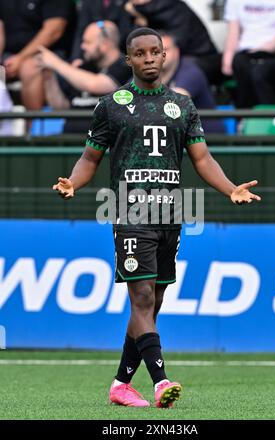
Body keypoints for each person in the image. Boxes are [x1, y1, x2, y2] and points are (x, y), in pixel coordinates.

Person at [52, 27, 261, 408]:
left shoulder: (182, 106)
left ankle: (120, 384)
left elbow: (202, 158)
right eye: (140, 53)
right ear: (128, 59)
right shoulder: (111, 104)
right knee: (143, 297)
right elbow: (90, 158)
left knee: (152, 303)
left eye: (155, 52)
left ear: (164, 56)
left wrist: (230, 187)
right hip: (130, 213)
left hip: (170, 215)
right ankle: (162, 382)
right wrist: (75, 182)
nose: (149, 59)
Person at [37, 20, 132, 133]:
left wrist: (56, 63)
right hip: (68, 140)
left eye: (87, 42)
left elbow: (96, 84)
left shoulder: (125, 65)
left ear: (105, 45)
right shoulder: (83, 67)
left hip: (103, 144)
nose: (82, 46)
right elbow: (61, 107)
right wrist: (49, 76)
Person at [0, 0, 76, 110]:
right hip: (8, 56)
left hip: (48, 53)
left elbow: (54, 31)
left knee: (29, 68)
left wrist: (20, 58)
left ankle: (32, 125)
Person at [222, 0, 275, 107]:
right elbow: (232, 34)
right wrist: (228, 58)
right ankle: (262, 118)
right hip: (245, 55)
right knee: (254, 69)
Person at [160, 32, 225, 133]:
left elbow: (175, 102)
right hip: (177, 138)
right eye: (156, 51)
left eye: (166, 50)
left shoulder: (190, 70)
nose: (161, 55)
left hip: (208, 140)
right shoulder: (148, 73)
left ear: (177, 52)